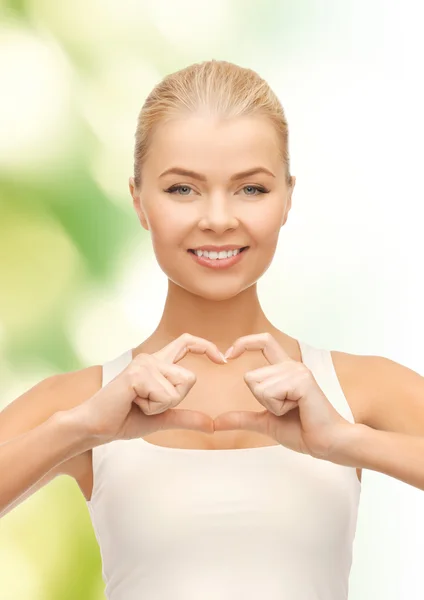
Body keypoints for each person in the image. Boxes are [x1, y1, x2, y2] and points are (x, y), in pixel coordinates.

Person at [2, 59, 424, 600]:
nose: (219, 219)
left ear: (288, 198)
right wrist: (79, 430)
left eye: (251, 190)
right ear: (139, 201)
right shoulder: (82, 402)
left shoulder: (358, 390)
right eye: (183, 190)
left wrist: (348, 440)